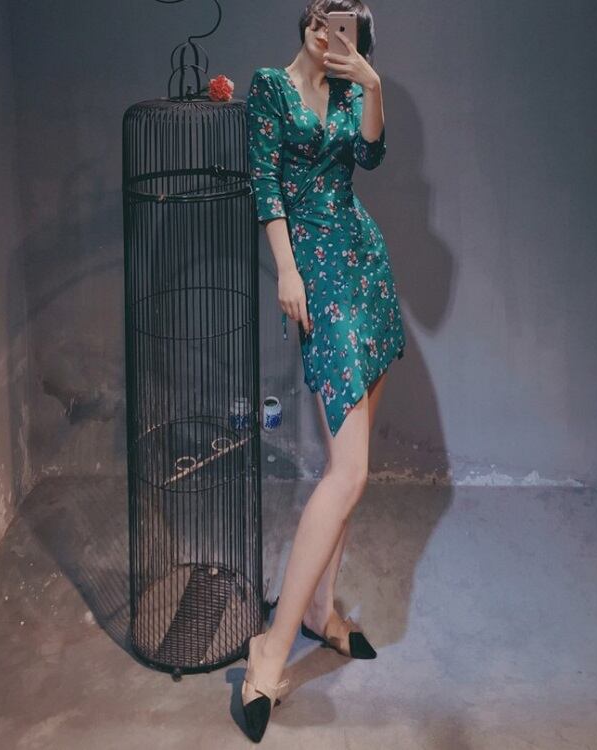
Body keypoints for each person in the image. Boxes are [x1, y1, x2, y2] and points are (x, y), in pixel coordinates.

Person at [241, 0, 406, 740]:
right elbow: (265, 183)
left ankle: (318, 609)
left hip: (365, 266)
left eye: (339, 11)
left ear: (355, 26)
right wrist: (286, 268)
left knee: (352, 472)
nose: (323, 19)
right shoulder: (270, 88)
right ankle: (270, 653)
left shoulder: (349, 89)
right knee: (350, 472)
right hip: (318, 275)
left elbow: (369, 156)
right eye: (317, 7)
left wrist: (372, 84)